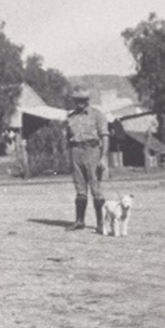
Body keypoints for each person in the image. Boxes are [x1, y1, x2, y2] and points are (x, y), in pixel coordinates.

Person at [65, 86, 109, 232]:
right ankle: (79, 221)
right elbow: (67, 138)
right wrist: (70, 157)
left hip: (92, 151)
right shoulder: (70, 117)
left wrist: (103, 158)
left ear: (88, 100)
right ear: (73, 100)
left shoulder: (97, 115)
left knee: (95, 187)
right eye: (77, 100)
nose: (80, 103)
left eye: (83, 100)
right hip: (75, 151)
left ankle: (101, 223)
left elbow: (105, 137)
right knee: (80, 188)